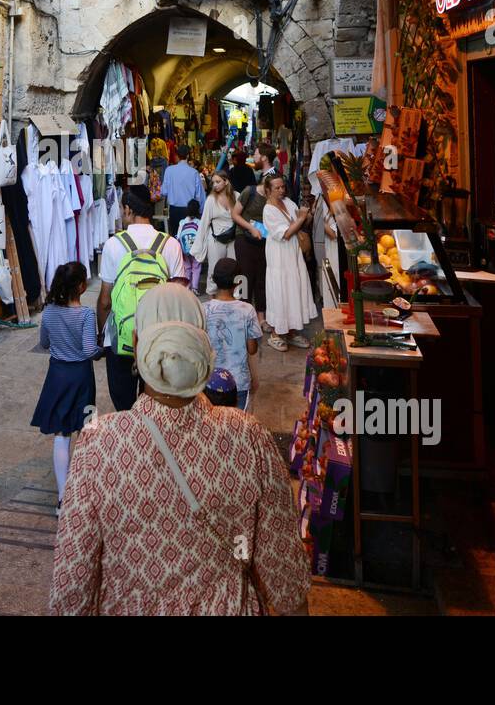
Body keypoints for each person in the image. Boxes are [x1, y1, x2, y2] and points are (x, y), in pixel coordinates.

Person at [51, 283, 313, 615]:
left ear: (136, 345)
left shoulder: (99, 443)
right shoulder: (248, 436)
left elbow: (73, 580)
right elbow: (284, 572)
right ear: (202, 343)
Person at [96, 189, 186, 412]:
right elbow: (179, 295)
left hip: (120, 339)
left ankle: (129, 440)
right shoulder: (171, 244)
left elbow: (105, 300)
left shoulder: (114, 245)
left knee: (124, 405)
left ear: (128, 210)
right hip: (158, 339)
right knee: (155, 404)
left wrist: (102, 334)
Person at [31, 261, 100, 509]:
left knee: (62, 432)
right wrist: (103, 351)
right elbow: (90, 350)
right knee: (86, 428)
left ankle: (63, 497)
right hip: (81, 376)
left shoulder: (48, 312)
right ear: (82, 287)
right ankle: (85, 491)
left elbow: (45, 343)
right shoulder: (85, 315)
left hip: (57, 375)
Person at [260, 173, 318, 350]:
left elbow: (298, 223)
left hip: (293, 252)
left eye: (282, 187)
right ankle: (277, 332)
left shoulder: (288, 202)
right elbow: (285, 234)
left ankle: (291, 330)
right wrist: (300, 218)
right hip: (279, 253)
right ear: (268, 190)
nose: (281, 190)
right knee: (281, 289)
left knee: (294, 287)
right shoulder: (268, 210)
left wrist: (306, 215)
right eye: (277, 188)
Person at [204, 257, 263, 409]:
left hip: (210, 381)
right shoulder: (247, 310)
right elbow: (252, 349)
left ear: (214, 280)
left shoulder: (203, 309)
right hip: (239, 382)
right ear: (238, 281)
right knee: (237, 424)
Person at [231, 161, 272, 334]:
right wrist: (251, 228)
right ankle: (243, 314)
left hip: (264, 241)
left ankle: (261, 316)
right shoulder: (250, 192)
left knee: (262, 277)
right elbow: (235, 214)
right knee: (244, 276)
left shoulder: (275, 199)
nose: (280, 191)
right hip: (245, 238)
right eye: (276, 187)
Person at [195, 169, 238, 294]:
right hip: (215, 239)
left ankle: (235, 298)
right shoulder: (210, 200)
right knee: (213, 269)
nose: (215, 185)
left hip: (233, 238)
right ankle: (212, 299)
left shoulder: (237, 196)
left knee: (235, 268)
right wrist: (198, 245)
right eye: (213, 182)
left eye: (218, 182)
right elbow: (204, 223)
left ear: (226, 182)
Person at [161, 144, 206, 236]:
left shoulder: (169, 170)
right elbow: (199, 196)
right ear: (188, 156)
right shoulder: (194, 172)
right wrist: (201, 212)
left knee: (175, 237)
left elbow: (163, 191)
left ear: (177, 155)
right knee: (189, 238)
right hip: (190, 211)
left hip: (174, 211)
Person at [177, 200, 203, 294]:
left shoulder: (182, 222)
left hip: (185, 250)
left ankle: (187, 287)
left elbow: (178, 236)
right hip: (196, 249)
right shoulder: (199, 222)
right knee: (196, 267)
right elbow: (201, 236)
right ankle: (195, 288)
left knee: (187, 268)